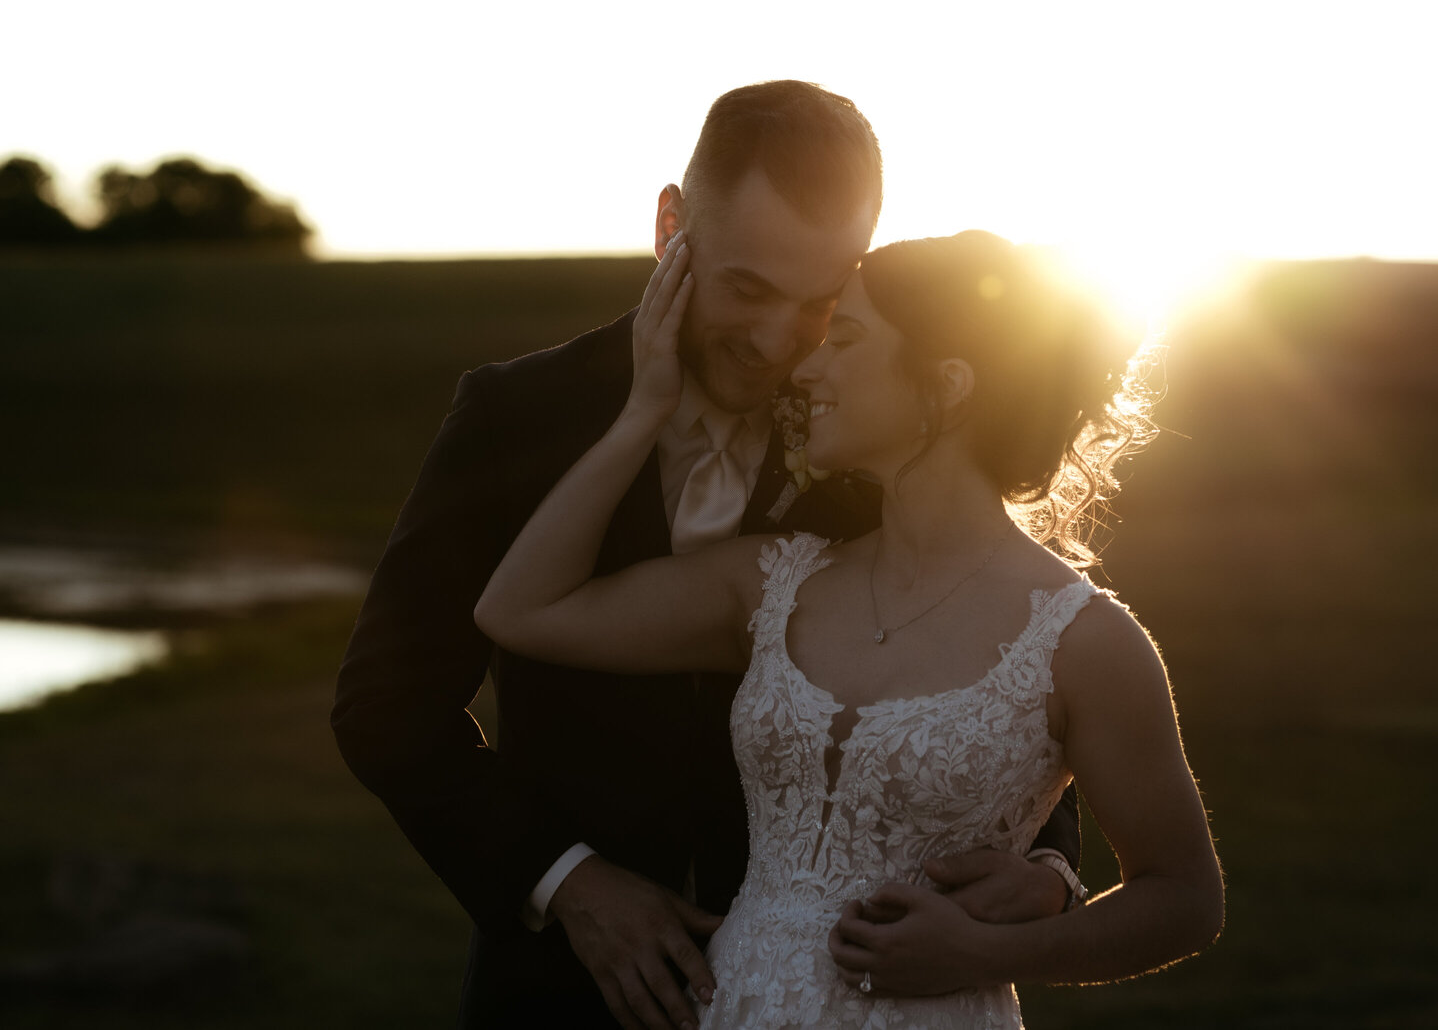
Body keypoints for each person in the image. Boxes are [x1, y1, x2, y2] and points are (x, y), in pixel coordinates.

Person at [331, 81, 1083, 1029]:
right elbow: (385, 707)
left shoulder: (875, 431)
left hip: (840, 984)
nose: (778, 342)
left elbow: (990, 660)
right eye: (747, 288)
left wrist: (1048, 865)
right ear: (671, 226)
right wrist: (569, 884)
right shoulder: (517, 418)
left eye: (818, 301)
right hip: (562, 988)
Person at [475, 229, 1225, 1026]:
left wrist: (988, 955)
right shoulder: (771, 583)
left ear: (947, 386)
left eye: (845, 337)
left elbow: (1184, 898)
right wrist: (642, 411)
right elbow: (521, 609)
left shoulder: (1087, 642)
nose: (805, 366)